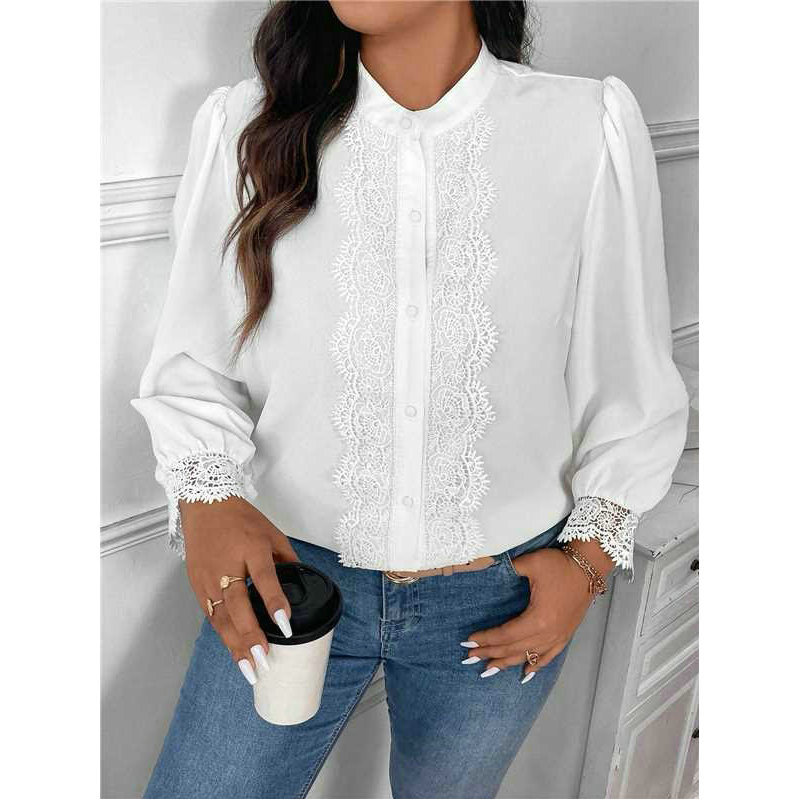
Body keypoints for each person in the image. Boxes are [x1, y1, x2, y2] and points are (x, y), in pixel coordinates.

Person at [130, 1, 689, 797]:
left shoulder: (584, 126)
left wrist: (587, 564)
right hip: (290, 581)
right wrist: (204, 497)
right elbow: (196, 359)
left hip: (503, 595)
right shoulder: (246, 124)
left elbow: (626, 372)